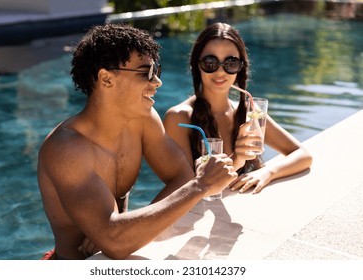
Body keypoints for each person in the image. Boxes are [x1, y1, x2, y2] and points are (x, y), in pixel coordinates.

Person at [37, 23, 237, 260]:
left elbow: (181, 175)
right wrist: (200, 186)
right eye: (146, 73)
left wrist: (123, 228)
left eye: (157, 72)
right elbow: (115, 243)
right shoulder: (66, 149)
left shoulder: (142, 121)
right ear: (106, 79)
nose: (157, 82)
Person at [163, 22, 312, 195]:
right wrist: (238, 160)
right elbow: (188, 190)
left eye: (230, 63)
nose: (220, 72)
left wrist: (268, 172)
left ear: (240, 68)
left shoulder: (250, 112)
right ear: (197, 65)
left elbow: (302, 154)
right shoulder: (180, 118)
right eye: (210, 62)